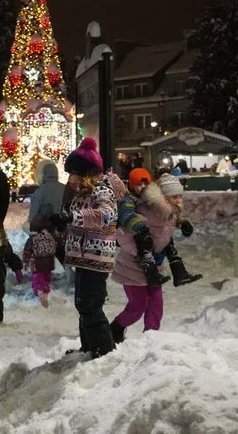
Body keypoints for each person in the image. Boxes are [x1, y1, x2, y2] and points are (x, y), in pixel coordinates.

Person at [62, 138, 126, 358]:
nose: (70, 179)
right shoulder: (82, 193)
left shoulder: (102, 192)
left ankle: (103, 351)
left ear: (86, 174)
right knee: (82, 304)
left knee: (90, 305)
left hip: (97, 257)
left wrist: (75, 216)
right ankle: (89, 346)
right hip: (84, 257)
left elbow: (106, 215)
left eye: (73, 174)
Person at [110, 174, 190, 343]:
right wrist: (143, 255)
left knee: (156, 306)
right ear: (163, 197)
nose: (179, 200)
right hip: (132, 267)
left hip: (154, 269)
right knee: (138, 306)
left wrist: (181, 225)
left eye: (180, 196)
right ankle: (115, 329)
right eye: (175, 196)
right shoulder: (144, 212)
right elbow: (122, 236)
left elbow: (163, 237)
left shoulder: (170, 214)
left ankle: (151, 339)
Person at [22, 214, 58, 308]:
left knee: (37, 279)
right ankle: (45, 292)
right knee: (46, 277)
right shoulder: (51, 237)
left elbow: (27, 251)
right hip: (49, 262)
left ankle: (39, 292)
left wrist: (25, 261)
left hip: (37, 263)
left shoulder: (33, 239)